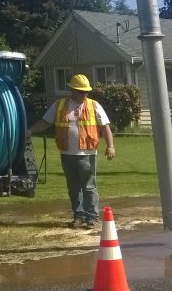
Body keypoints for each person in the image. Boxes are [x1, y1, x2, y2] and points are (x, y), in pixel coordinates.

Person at [26, 74, 116, 229]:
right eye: (81, 91)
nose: (84, 94)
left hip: (87, 154)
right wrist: (31, 130)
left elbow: (105, 126)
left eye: (86, 92)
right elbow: (45, 122)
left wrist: (110, 146)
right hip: (67, 154)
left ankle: (92, 218)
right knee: (73, 188)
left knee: (89, 186)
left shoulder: (94, 105)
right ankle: (79, 216)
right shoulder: (60, 105)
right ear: (72, 90)